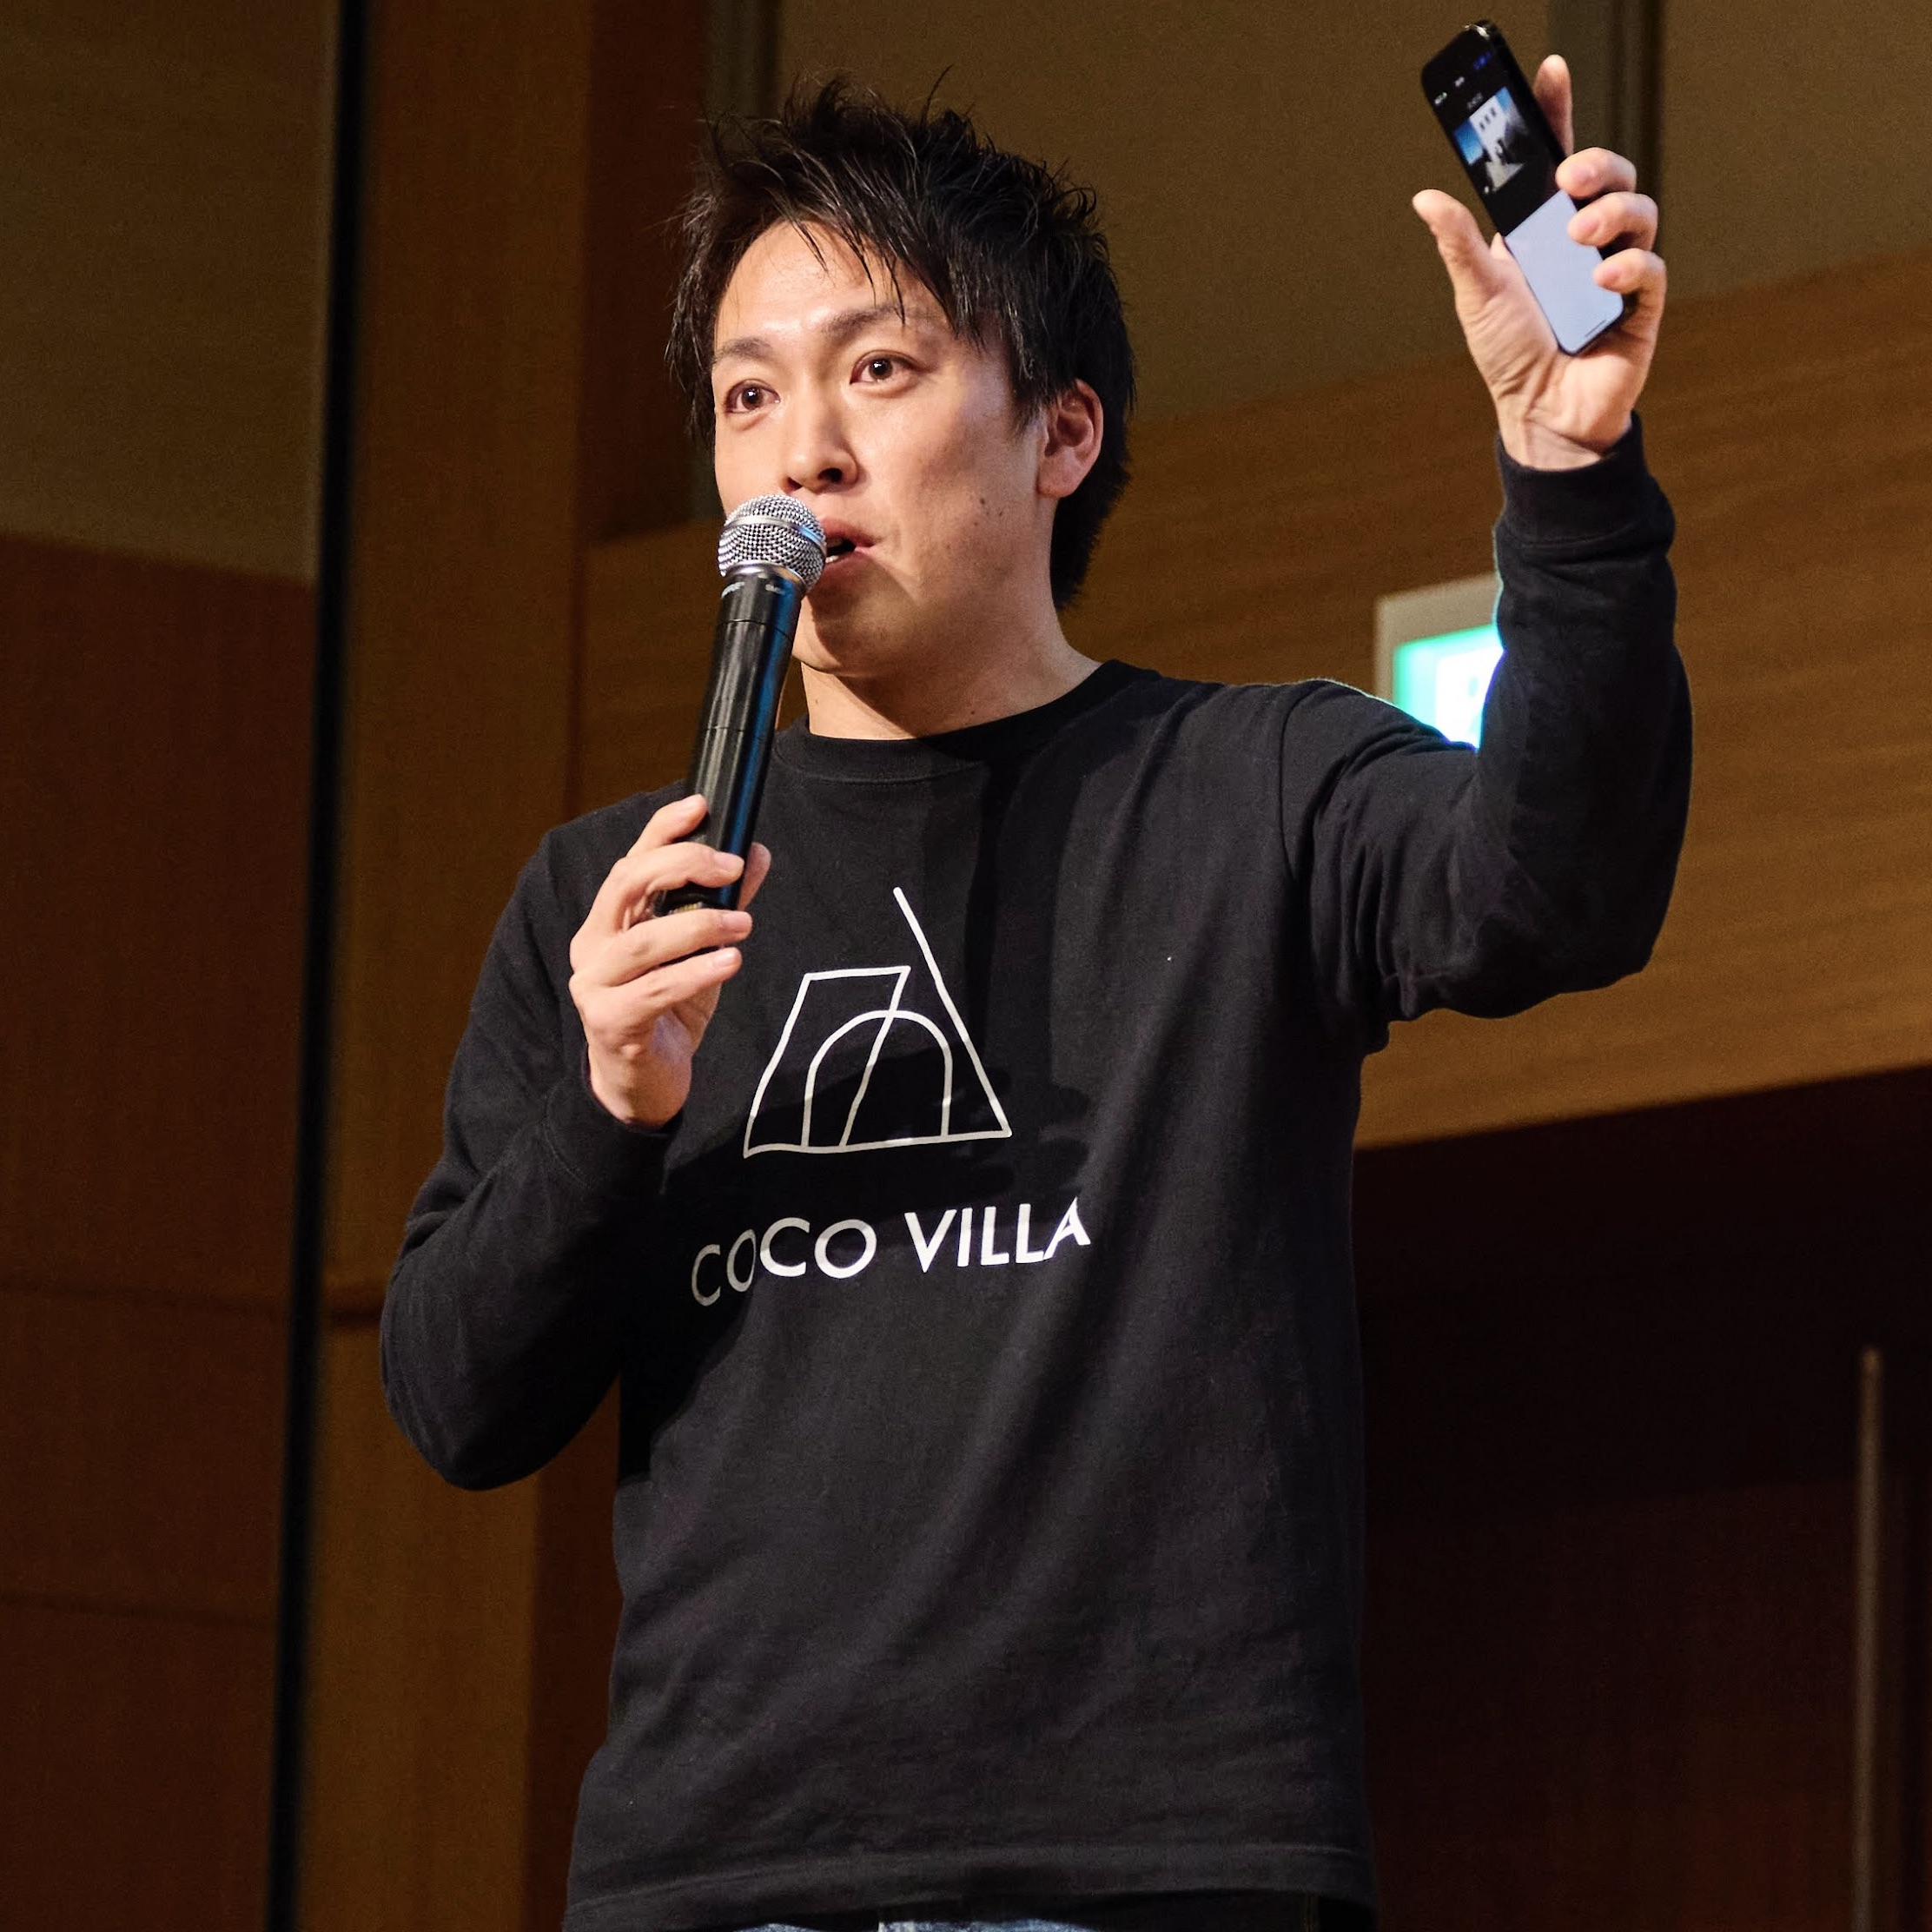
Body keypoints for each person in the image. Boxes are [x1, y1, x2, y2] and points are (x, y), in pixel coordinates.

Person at [381, 61, 1687, 1932]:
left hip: (1153, 1868)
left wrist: (1571, 480)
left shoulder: (1253, 790)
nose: (801, 451)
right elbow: (454, 1399)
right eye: (747, 396)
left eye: (878, 370)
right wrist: (608, 1109)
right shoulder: (618, 903)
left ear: (1062, 432)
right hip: (726, 1873)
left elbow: (1557, 891)